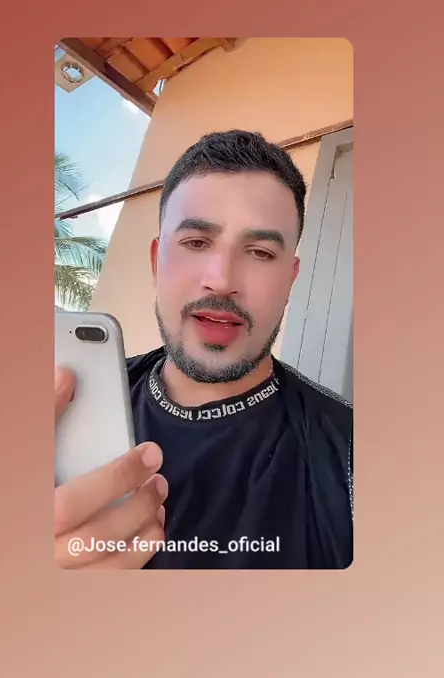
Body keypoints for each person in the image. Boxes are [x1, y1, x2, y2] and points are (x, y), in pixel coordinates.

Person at [54, 130, 353, 570]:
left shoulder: (353, 454)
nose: (221, 280)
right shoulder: (60, 413)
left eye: (259, 252)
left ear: (290, 279)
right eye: (195, 243)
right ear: (156, 263)